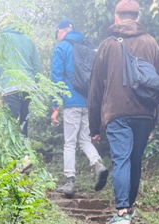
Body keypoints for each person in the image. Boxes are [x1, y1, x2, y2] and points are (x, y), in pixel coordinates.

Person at [89, 0, 159, 224]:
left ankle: (121, 212)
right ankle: (128, 208)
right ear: (138, 17)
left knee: (121, 159)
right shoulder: (152, 43)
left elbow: (95, 88)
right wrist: (153, 122)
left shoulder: (108, 45)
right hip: (144, 113)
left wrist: (94, 127)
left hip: (116, 112)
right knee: (134, 160)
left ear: (116, 17)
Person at [50, 18, 108, 198]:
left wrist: (56, 106)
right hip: (89, 102)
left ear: (61, 31)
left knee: (70, 142)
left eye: (57, 34)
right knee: (85, 140)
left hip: (71, 102)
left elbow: (56, 78)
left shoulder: (62, 47)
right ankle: (98, 164)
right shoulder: (88, 46)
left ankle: (69, 181)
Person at [0, 21, 41, 137]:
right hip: (28, 87)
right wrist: (34, 83)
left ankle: (11, 153)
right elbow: (37, 67)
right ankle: (25, 152)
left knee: (10, 125)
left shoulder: (1, 38)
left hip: (10, 87)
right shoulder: (29, 40)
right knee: (24, 122)